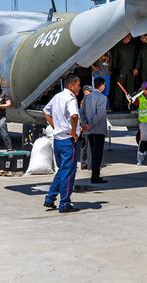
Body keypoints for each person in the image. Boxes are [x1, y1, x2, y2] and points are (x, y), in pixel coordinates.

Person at [43, 74, 82, 213]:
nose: (79, 88)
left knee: (62, 170)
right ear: (71, 86)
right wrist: (73, 131)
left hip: (58, 140)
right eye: (78, 85)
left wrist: (56, 126)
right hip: (68, 141)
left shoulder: (57, 97)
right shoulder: (71, 99)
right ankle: (64, 203)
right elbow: (74, 116)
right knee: (68, 172)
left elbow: (46, 111)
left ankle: (50, 197)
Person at [80, 77, 109, 183]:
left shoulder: (87, 98)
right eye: (104, 85)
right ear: (101, 85)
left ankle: (94, 175)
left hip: (89, 131)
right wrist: (91, 125)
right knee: (98, 154)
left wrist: (85, 124)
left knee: (92, 153)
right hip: (98, 130)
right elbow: (100, 114)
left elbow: (81, 111)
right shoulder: (102, 98)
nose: (104, 87)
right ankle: (95, 176)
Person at [110, 34, 137, 111]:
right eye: (128, 36)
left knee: (129, 90)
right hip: (121, 72)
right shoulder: (118, 46)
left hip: (131, 72)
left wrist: (136, 68)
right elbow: (115, 59)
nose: (130, 38)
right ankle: (117, 106)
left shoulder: (132, 46)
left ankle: (127, 105)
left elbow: (136, 57)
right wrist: (115, 71)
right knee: (119, 90)